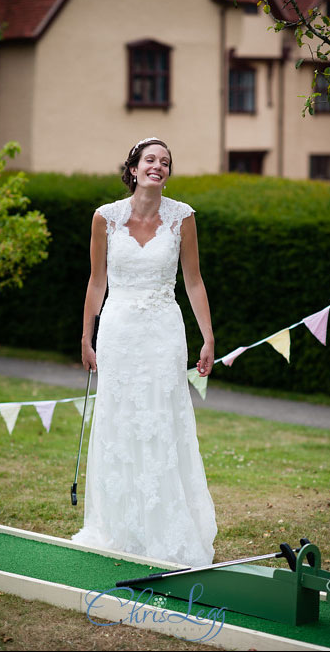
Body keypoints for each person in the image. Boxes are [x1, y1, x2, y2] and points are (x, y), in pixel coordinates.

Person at [71, 138, 217, 567]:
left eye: (165, 162)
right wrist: (86, 335)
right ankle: (118, 526)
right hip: (117, 332)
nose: (158, 166)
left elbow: (193, 281)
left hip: (163, 333)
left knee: (160, 420)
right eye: (150, 160)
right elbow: (97, 282)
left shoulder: (183, 218)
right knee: (119, 421)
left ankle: (166, 528)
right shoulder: (105, 219)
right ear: (133, 168)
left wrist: (207, 336)